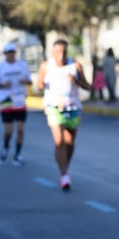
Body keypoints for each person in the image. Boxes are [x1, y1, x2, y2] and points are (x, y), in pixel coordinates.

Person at [36, 39, 91, 190]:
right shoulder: (46, 66)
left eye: (64, 52)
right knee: (59, 141)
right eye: (58, 52)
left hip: (72, 107)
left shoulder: (75, 66)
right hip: (54, 107)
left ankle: (64, 166)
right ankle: (64, 175)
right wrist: (43, 85)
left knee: (70, 142)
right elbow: (39, 85)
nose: (61, 56)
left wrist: (76, 81)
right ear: (52, 53)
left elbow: (88, 86)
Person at [0, 42, 32, 165]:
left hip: (19, 99)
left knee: (20, 128)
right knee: (8, 130)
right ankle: (6, 146)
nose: (10, 55)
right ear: (5, 54)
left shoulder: (22, 65)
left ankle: (18, 154)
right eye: (8, 53)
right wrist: (3, 85)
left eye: (12, 53)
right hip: (6, 100)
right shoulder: (0, 66)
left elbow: (30, 82)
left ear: (15, 53)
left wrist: (24, 82)